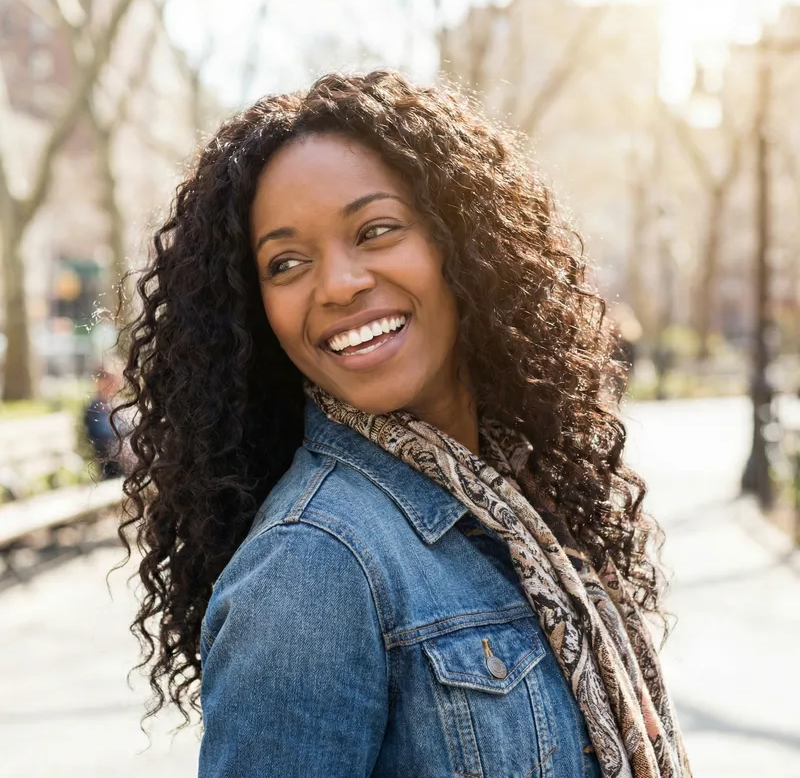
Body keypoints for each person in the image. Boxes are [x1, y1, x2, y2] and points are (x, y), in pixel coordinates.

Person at [117, 71, 691, 778]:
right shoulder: (311, 567)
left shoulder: (517, 497)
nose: (338, 284)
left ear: (464, 243)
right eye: (286, 262)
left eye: (376, 230)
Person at [83, 368, 123, 480]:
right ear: (99, 382)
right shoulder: (95, 408)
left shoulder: (115, 404)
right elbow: (100, 433)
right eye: (110, 381)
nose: (113, 385)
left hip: (119, 451)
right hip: (107, 455)